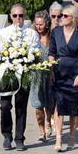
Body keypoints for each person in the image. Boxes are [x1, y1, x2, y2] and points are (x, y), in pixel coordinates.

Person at [0, 4, 40, 151]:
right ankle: (7, 135)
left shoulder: (32, 34)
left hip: (24, 73)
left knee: (21, 107)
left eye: (21, 15)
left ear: (24, 16)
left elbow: (36, 51)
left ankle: (19, 138)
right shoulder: (3, 33)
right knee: (5, 106)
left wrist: (27, 58)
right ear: (11, 16)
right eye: (15, 16)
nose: (18, 19)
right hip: (7, 74)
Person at [49, 5, 78, 152]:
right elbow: (52, 52)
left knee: (72, 108)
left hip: (74, 72)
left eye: (65, 16)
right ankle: (59, 138)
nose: (61, 18)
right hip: (59, 72)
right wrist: (51, 69)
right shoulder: (56, 32)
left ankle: (72, 137)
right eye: (60, 16)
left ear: (73, 18)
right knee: (59, 106)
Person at [29, 11, 54, 141]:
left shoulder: (52, 37)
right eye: (37, 24)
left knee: (49, 104)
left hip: (49, 75)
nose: (39, 26)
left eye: (41, 24)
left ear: (47, 24)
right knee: (38, 105)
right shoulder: (32, 38)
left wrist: (53, 72)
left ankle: (48, 122)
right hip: (36, 77)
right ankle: (41, 130)